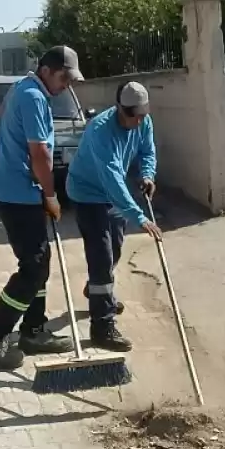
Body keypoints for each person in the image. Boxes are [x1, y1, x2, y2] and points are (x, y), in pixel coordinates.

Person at [0, 46, 85, 370]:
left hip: (14, 190)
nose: (67, 85)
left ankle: (34, 331)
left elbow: (6, 118)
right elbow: (41, 156)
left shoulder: (23, 87)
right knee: (33, 269)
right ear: (47, 70)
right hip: (18, 194)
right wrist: (50, 195)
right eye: (64, 77)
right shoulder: (34, 97)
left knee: (39, 262)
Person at [66, 81, 162, 352]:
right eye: (134, 115)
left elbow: (147, 151)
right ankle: (102, 327)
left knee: (115, 250)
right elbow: (111, 180)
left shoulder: (144, 121)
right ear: (120, 108)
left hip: (112, 195)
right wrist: (140, 217)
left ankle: (97, 291)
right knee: (102, 256)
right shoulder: (99, 130)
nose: (139, 120)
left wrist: (147, 174)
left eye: (143, 114)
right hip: (87, 194)